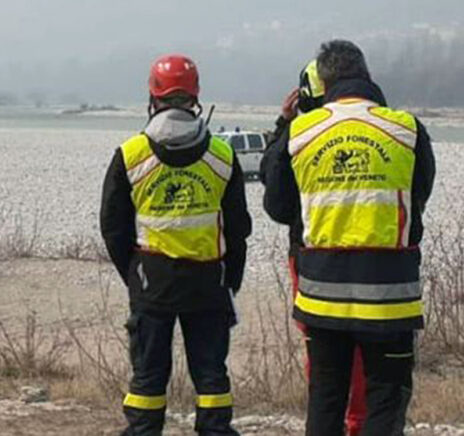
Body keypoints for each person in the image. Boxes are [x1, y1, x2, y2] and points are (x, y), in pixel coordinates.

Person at [261, 40, 435, 435]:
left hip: (322, 294)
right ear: (367, 75)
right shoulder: (406, 129)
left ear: (322, 81)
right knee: (385, 402)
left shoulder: (301, 132)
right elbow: (418, 197)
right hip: (391, 295)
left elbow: (277, 206)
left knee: (325, 399)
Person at [100, 54, 252, 436]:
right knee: (211, 375)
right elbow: (238, 230)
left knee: (149, 376)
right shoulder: (222, 156)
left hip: (152, 281)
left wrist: (134, 275)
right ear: (195, 95)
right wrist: (229, 280)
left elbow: (112, 227)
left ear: (153, 95)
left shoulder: (131, 155)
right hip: (209, 281)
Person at [262, 59, 367, 436]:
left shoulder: (301, 135)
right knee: (365, 352)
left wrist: (284, 125)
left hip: (311, 259)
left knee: (322, 354)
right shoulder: (379, 128)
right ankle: (359, 422)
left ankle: (333, 423)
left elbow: (275, 202)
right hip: (376, 258)